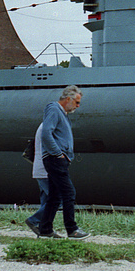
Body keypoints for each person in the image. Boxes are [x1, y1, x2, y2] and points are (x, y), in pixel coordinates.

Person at [36, 85, 89, 239]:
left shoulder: (62, 114)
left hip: (58, 160)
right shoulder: (54, 109)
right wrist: (57, 153)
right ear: (68, 99)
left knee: (55, 196)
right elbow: (46, 133)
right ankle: (72, 230)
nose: (78, 106)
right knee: (69, 192)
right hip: (55, 160)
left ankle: (45, 230)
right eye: (77, 102)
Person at [24, 122, 50, 234]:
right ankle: (34, 221)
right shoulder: (49, 126)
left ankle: (43, 229)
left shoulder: (43, 126)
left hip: (41, 169)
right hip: (47, 170)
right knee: (59, 199)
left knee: (46, 200)